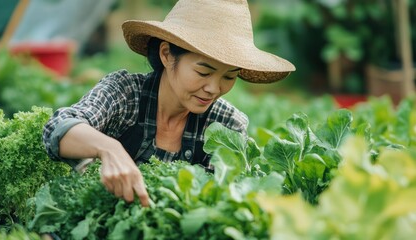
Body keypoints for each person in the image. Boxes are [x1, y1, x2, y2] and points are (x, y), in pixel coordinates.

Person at [42, 0, 295, 207]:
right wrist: (110, 149)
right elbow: (57, 128)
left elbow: (221, 204)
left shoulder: (227, 125)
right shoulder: (125, 92)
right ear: (166, 54)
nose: (214, 88)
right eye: (203, 72)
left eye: (229, 76)